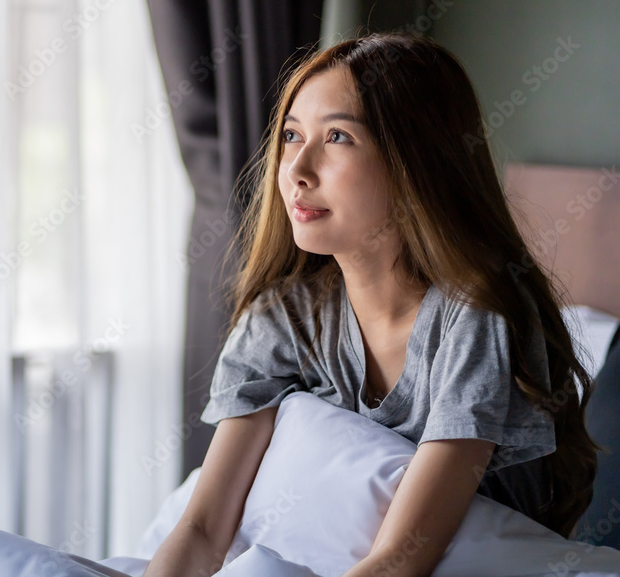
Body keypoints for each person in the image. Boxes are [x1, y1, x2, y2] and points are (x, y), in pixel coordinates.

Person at [142, 33, 599, 577]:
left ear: (416, 161)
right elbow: (200, 532)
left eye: (337, 136)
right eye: (291, 135)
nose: (297, 169)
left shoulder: (475, 318)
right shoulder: (282, 316)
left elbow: (398, 562)